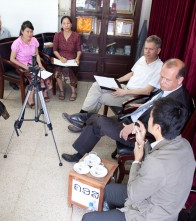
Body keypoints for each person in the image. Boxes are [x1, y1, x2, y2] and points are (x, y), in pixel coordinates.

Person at [82, 98, 195, 221]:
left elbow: (133, 194)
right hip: (156, 197)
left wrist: (137, 160)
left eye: (150, 117)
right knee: (108, 190)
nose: (147, 120)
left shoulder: (156, 163)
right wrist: (143, 142)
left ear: (157, 128)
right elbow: (158, 160)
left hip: (150, 215)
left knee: (88, 218)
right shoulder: (185, 145)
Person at [61, 58, 192, 163]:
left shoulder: (179, 102)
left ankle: (83, 119)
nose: (162, 82)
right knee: (97, 122)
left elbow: (162, 130)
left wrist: (134, 126)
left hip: (142, 136)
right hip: (133, 118)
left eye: (167, 79)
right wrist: (141, 105)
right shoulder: (169, 88)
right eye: (161, 76)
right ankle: (79, 150)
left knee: (99, 120)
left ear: (180, 80)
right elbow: (154, 101)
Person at [63, 35, 163, 132]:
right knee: (96, 85)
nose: (147, 52)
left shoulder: (159, 67)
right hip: (125, 88)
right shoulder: (142, 59)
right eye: (146, 48)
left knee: (100, 97)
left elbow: (147, 91)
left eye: (151, 49)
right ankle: (81, 118)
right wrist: (116, 81)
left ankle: (81, 121)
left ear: (158, 51)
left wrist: (124, 92)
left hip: (134, 97)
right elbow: (132, 73)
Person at [10, 20, 52, 106]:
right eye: (27, 31)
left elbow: (36, 54)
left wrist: (40, 64)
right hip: (21, 66)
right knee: (35, 78)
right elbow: (12, 59)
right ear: (22, 32)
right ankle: (30, 98)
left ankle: (45, 92)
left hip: (33, 65)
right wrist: (25, 67)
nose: (30, 34)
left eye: (31, 31)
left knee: (46, 75)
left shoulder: (34, 40)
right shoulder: (17, 43)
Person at [53, 15, 82, 101]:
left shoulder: (76, 36)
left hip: (71, 60)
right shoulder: (57, 35)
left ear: (71, 24)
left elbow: (79, 50)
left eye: (68, 23)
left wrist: (77, 58)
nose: (66, 25)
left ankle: (73, 91)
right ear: (61, 25)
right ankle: (62, 90)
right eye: (64, 23)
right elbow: (54, 50)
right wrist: (61, 58)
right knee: (57, 70)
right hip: (61, 60)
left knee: (67, 70)